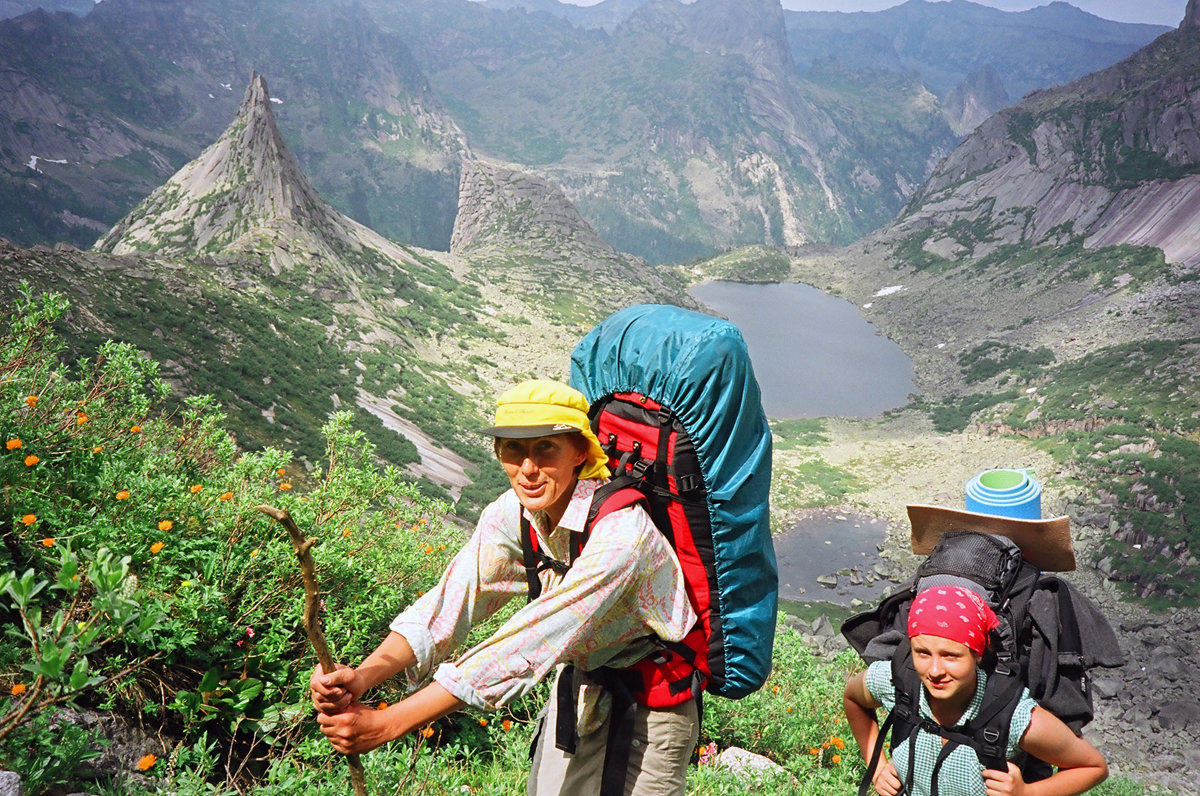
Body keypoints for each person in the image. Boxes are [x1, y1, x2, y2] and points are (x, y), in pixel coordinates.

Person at [309, 379, 699, 796]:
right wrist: (362, 675)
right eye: (513, 449)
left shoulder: (623, 535)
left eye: (546, 448)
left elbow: (530, 639)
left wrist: (389, 723)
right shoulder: (514, 514)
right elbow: (449, 603)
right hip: (582, 686)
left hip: (655, 705)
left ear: (580, 453)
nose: (527, 468)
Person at [843, 585, 1108, 796]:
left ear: (978, 654)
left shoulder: (1011, 716)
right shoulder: (897, 683)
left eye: (951, 656)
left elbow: (1093, 767)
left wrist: (1028, 792)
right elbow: (853, 698)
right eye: (922, 652)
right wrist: (877, 768)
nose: (935, 670)